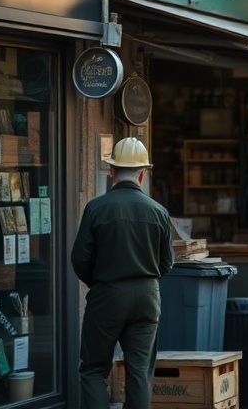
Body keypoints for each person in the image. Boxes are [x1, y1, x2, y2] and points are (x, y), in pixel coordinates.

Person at [71, 137, 174, 409]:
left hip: (107, 294)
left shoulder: (96, 208)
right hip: (147, 297)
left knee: (93, 369)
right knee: (139, 372)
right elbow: (167, 263)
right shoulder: (160, 212)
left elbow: (79, 259)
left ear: (112, 172)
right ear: (142, 173)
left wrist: (100, 282)